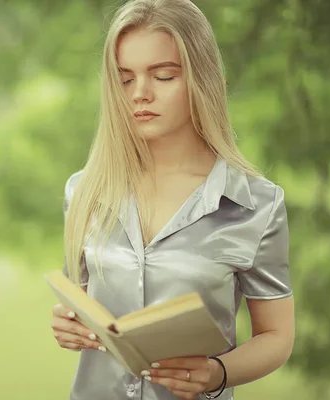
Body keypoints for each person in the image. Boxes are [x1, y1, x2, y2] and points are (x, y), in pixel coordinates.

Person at [50, 0, 295, 399]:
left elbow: (277, 336)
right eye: (125, 79)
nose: (140, 94)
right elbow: (80, 304)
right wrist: (66, 325)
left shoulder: (256, 204)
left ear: (201, 79)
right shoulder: (83, 191)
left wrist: (217, 373)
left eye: (163, 76)